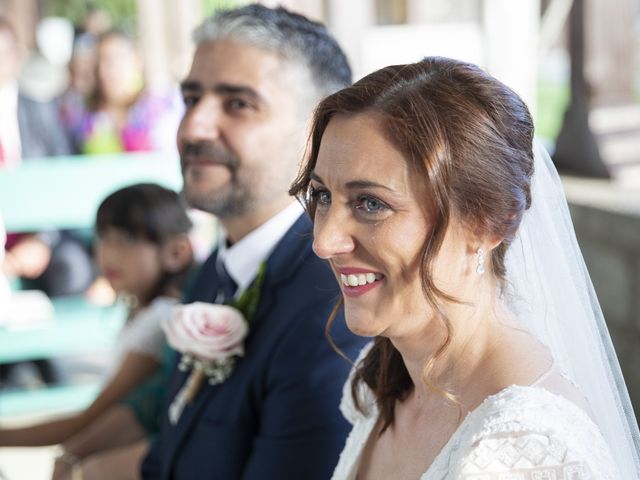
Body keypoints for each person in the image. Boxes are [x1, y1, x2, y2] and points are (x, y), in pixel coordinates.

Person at [290, 57, 640, 478]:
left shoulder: (528, 451)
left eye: (371, 204)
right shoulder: (389, 378)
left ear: (486, 223)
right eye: (323, 195)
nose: (324, 241)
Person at [141, 5, 367, 479]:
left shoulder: (334, 310)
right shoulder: (216, 271)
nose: (194, 128)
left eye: (238, 104)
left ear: (318, 131)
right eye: (191, 98)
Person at [0, 183, 194, 480]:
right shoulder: (141, 310)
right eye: (103, 237)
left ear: (176, 252)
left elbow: (90, 418)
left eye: (126, 240)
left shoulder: (160, 320)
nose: (108, 253)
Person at [67, 30, 181, 155]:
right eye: (101, 61)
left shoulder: (164, 108)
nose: (108, 70)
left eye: (116, 59)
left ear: (137, 60)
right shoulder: (83, 119)